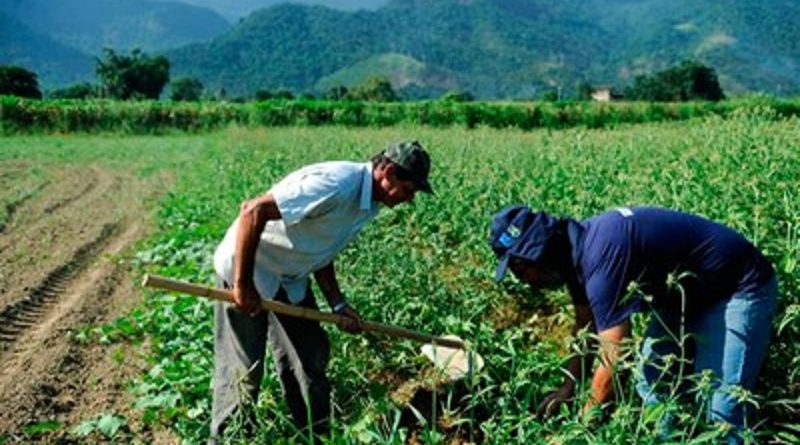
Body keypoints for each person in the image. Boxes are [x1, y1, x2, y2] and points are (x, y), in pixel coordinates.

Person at [489, 205, 777, 444]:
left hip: (737, 287)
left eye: (520, 268)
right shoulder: (573, 256)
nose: (521, 279)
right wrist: (568, 388)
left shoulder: (601, 253)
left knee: (720, 407)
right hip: (683, 296)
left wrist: (580, 427)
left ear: (539, 251)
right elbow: (585, 327)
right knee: (653, 381)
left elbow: (615, 354)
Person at [210, 141, 433, 442]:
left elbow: (322, 249)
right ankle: (227, 440)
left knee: (309, 359)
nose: (409, 199)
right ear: (389, 172)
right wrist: (242, 285)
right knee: (243, 372)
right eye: (409, 190)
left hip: (290, 277)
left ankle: (314, 436)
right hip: (249, 270)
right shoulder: (336, 184)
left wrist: (338, 304)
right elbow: (253, 211)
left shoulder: (369, 202)